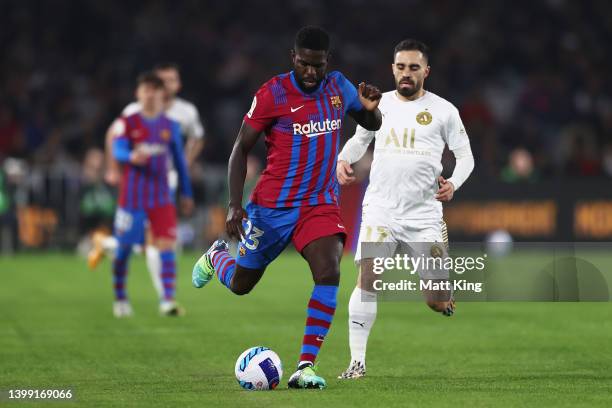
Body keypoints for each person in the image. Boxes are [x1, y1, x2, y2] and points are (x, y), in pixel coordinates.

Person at [192, 26, 382, 389]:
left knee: (328, 271)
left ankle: (305, 366)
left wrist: (372, 112)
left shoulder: (340, 86)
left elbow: (372, 122)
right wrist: (234, 206)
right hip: (271, 208)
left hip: (319, 203)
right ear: (293, 58)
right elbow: (239, 149)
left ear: (327, 62)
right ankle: (218, 256)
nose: (311, 72)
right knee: (241, 284)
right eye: (304, 64)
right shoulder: (271, 94)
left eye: (318, 65)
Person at [335, 39, 475, 379]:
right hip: (381, 208)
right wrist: (343, 158)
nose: (406, 73)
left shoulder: (444, 110)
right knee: (368, 276)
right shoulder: (378, 105)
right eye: (401, 67)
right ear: (392, 69)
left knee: (435, 299)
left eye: (414, 67)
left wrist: (453, 182)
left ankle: (443, 295)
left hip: (424, 214)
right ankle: (357, 363)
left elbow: (466, 156)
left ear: (426, 71)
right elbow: (360, 140)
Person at [89, 63, 204, 303]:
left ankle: (108, 245)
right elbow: (113, 136)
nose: (164, 86)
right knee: (152, 240)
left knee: (156, 239)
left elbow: (197, 138)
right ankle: (165, 295)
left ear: (177, 84)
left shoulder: (186, 111)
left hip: (165, 178)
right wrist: (113, 167)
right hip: (139, 182)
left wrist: (185, 161)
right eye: (162, 81)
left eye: (171, 80)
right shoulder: (135, 110)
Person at [110, 72, 194, 317]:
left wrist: (186, 193)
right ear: (138, 93)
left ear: (162, 94)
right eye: (145, 89)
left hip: (161, 197)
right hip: (132, 198)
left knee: (167, 245)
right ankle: (120, 297)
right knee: (124, 249)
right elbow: (118, 149)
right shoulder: (128, 122)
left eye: (154, 90)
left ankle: (167, 299)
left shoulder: (170, 126)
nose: (149, 94)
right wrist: (130, 156)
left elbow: (179, 162)